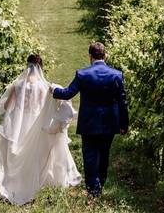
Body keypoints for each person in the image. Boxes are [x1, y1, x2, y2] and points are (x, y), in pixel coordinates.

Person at [0, 54, 81, 204]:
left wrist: (15, 110)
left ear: (27, 65)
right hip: (34, 124)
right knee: (34, 156)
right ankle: (32, 188)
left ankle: (13, 187)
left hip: (18, 125)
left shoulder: (18, 84)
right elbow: (42, 107)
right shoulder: (43, 86)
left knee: (14, 154)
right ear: (41, 67)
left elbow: (6, 106)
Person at [52, 42, 129, 197]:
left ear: (90, 57)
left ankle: (94, 189)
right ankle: (99, 184)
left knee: (90, 156)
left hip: (89, 123)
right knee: (104, 154)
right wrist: (124, 124)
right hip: (109, 123)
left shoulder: (82, 74)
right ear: (105, 55)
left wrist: (53, 90)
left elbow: (68, 93)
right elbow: (122, 102)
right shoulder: (117, 74)